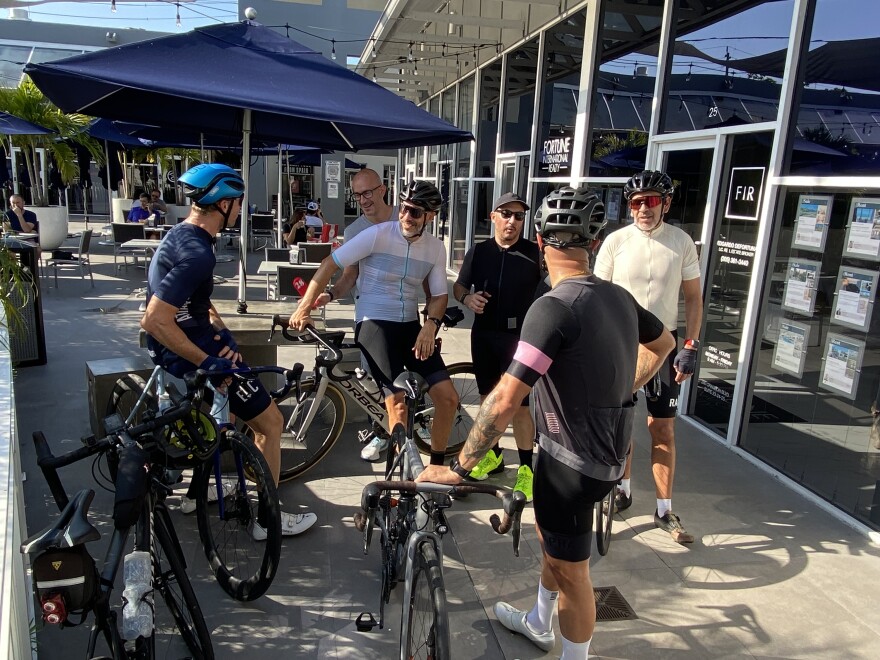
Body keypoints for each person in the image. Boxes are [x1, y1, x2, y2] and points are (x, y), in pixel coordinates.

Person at [417, 187, 674, 659]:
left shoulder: (552, 307)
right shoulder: (617, 297)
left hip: (571, 465)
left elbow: (503, 401)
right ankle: (538, 620)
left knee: (575, 573)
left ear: (539, 238)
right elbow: (664, 345)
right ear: (593, 244)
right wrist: (624, 389)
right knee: (551, 539)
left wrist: (456, 469)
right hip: (608, 456)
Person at [140, 163, 316, 538]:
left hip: (192, 344)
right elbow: (154, 320)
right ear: (223, 204)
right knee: (270, 423)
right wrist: (210, 360)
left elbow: (194, 302)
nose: (240, 210)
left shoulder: (181, 236)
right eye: (237, 202)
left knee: (228, 419)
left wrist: (222, 333)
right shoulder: (198, 254)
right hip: (188, 354)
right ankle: (268, 520)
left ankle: (195, 492)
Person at [290, 180, 460, 467]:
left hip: (409, 325)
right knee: (397, 403)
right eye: (404, 209)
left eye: (415, 213)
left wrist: (430, 325)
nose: (406, 217)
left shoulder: (435, 249)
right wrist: (304, 308)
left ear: (430, 217)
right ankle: (399, 479)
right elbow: (329, 265)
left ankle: (437, 468)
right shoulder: (377, 235)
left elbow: (440, 296)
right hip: (373, 320)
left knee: (448, 398)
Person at [593, 169, 703, 544]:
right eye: (637, 202)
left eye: (652, 201)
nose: (643, 208)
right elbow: (599, 295)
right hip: (620, 340)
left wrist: (691, 345)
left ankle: (663, 510)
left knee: (663, 428)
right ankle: (622, 490)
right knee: (621, 422)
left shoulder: (682, 242)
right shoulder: (615, 241)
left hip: (666, 344)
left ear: (666, 203)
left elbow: (693, 298)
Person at [452, 192, 541, 499]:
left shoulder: (535, 252)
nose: (512, 221)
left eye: (518, 216)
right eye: (506, 214)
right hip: (484, 335)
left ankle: (527, 469)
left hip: (520, 339)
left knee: (519, 407)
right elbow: (459, 285)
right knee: (488, 401)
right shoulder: (479, 251)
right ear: (493, 217)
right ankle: (495, 458)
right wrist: (467, 298)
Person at [309, 168, 398, 460]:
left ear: (383, 189)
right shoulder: (355, 230)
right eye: (357, 194)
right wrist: (332, 294)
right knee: (373, 377)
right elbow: (350, 274)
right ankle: (382, 432)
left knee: (404, 375)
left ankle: (410, 425)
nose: (362, 199)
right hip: (370, 313)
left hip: (404, 310)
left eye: (368, 192)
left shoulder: (404, 219)